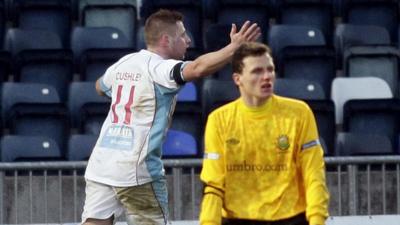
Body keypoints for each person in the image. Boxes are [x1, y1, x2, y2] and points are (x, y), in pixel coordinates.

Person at [81, 9, 261, 225]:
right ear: (166, 40)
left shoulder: (125, 62)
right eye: (183, 35)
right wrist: (233, 49)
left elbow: (100, 86)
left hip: (101, 164)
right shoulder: (160, 69)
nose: (188, 40)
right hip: (136, 170)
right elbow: (198, 68)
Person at [199, 42, 330, 225]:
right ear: (238, 79)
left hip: (290, 218)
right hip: (238, 219)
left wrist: (317, 220)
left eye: (270, 69)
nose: (267, 77)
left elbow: (313, 173)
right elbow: (213, 183)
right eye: (257, 71)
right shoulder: (219, 120)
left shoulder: (299, 113)